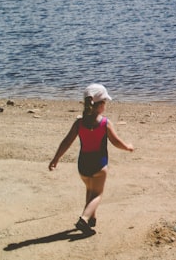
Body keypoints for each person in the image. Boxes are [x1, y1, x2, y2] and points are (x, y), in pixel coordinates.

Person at [48, 83, 135, 234]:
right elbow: (115, 142)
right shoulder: (104, 123)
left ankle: (91, 218)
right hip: (99, 164)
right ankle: (84, 218)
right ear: (100, 105)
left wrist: (56, 158)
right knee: (98, 194)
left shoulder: (79, 123)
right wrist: (127, 146)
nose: (105, 105)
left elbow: (67, 142)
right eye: (105, 102)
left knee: (90, 188)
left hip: (83, 165)